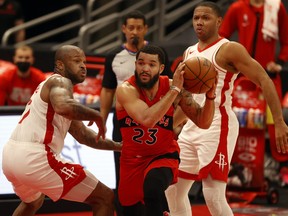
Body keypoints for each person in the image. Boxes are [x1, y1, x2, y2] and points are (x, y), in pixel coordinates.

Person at [165, 2, 288, 216]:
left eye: (206, 18)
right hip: (192, 126)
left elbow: (264, 80)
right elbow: (191, 102)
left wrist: (278, 120)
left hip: (217, 125)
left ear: (219, 21)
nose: (199, 23)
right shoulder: (189, 52)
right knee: (173, 189)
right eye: (196, 18)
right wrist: (168, 126)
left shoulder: (229, 49)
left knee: (213, 196)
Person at [2, 45, 122, 216]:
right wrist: (95, 114)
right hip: (35, 156)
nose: (83, 66)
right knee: (104, 197)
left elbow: (83, 135)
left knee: (32, 203)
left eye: (84, 62)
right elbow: (64, 106)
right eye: (76, 61)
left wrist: (119, 146)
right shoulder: (59, 81)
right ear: (60, 65)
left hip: (10, 157)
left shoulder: (54, 90)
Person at [115, 44, 216, 216]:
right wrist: (175, 90)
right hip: (132, 161)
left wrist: (210, 96)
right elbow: (148, 119)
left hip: (163, 156)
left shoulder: (172, 87)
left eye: (151, 64)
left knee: (153, 189)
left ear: (161, 68)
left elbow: (203, 122)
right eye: (140, 63)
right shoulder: (126, 90)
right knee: (130, 210)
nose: (145, 68)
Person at [100, 10, 172, 216]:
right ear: (124, 29)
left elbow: (170, 88)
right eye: (130, 27)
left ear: (146, 29)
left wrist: (175, 122)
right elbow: (107, 89)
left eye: (139, 27)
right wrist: (102, 119)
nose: (135, 31)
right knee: (124, 175)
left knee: (155, 177)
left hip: (155, 119)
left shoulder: (157, 53)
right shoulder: (114, 56)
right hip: (125, 122)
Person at [219, 0, 288, 162]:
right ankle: (233, 163)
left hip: (268, 78)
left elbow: (286, 41)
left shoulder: (276, 7)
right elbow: (221, 36)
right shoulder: (238, 7)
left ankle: (282, 166)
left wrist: (280, 62)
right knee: (236, 120)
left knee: (275, 124)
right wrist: (227, 59)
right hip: (242, 78)